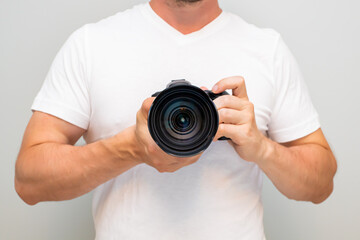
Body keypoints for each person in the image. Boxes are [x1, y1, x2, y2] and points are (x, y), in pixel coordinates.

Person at [14, 0, 337, 239]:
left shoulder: (268, 49)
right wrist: (131, 149)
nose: (183, 122)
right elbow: (29, 181)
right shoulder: (90, 45)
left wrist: (261, 148)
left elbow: (321, 184)